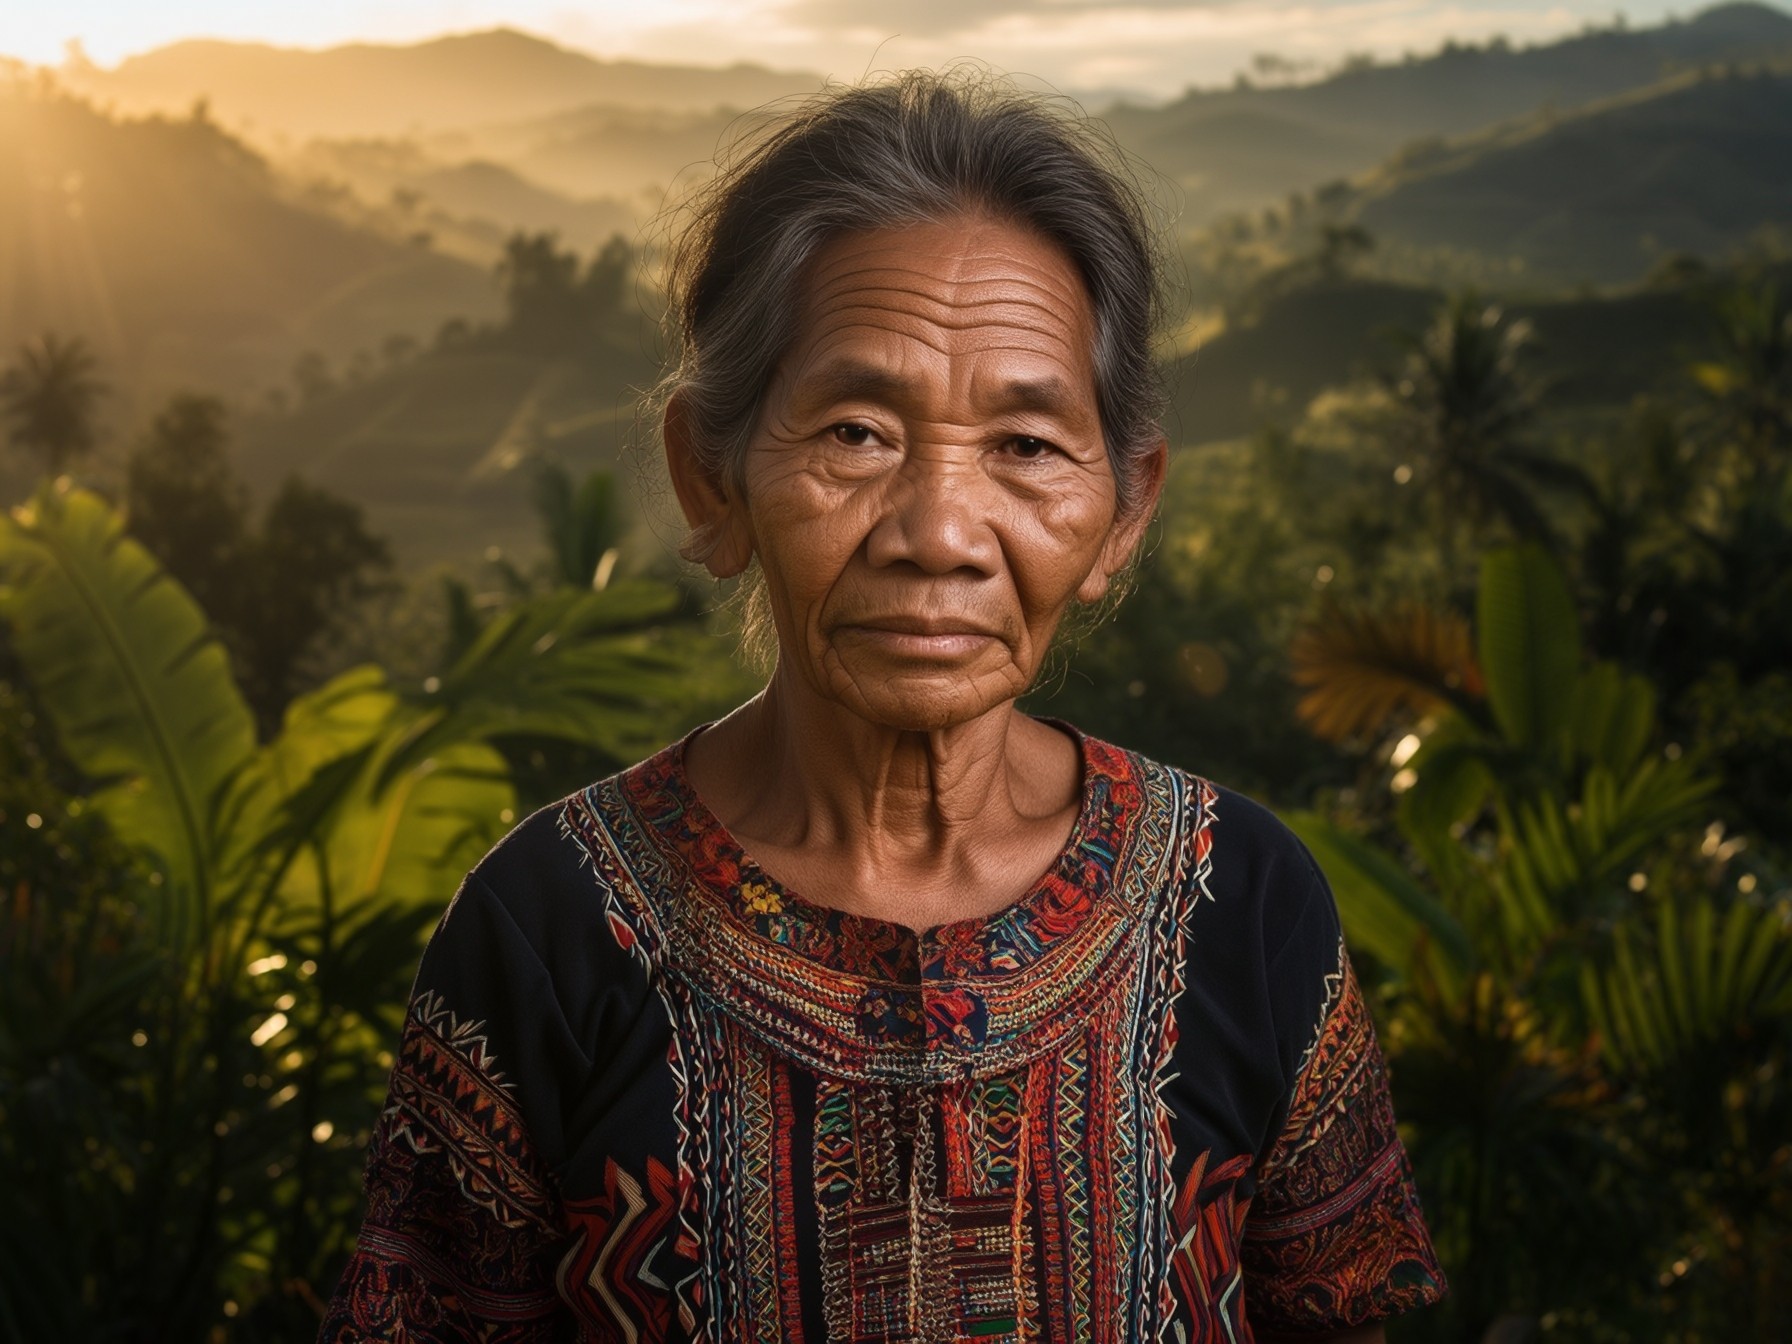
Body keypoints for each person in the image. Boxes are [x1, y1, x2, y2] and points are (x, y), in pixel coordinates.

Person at [320, 72, 1445, 1343]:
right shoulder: (550, 927)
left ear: (1123, 510)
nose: (940, 535)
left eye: (1025, 446)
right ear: (711, 479)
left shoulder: (1246, 902)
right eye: (855, 433)